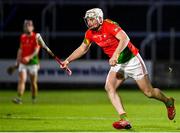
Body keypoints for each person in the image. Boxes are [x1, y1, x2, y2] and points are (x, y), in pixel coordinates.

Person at [61, 8, 176, 129]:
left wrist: (115, 54)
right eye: (87, 20)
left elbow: (125, 38)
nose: (89, 22)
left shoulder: (109, 25)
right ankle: (124, 120)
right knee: (109, 87)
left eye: (91, 19)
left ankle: (168, 102)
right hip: (118, 65)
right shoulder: (90, 33)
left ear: (99, 19)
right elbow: (82, 48)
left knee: (148, 92)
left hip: (132, 60)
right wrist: (68, 60)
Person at [12, 20, 41, 104]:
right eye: (26, 25)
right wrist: (17, 61)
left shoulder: (36, 36)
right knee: (22, 80)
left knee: (33, 83)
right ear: (24, 27)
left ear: (32, 27)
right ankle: (19, 98)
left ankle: (33, 98)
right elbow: (20, 49)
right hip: (23, 62)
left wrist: (29, 57)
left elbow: (36, 50)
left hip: (33, 63)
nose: (28, 27)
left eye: (29, 25)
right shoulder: (22, 37)